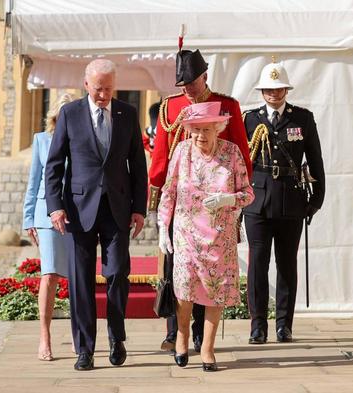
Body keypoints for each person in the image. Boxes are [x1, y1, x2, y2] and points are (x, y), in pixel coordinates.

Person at [45, 59, 148, 371]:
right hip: (78, 209)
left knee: (117, 273)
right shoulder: (69, 114)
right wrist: (55, 207)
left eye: (109, 88)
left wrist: (139, 209)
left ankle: (117, 337)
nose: (104, 94)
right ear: (86, 84)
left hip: (117, 208)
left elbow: (138, 166)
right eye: (99, 88)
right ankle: (85, 349)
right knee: (81, 281)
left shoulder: (128, 113)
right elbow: (54, 164)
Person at [148, 47, 251, 353]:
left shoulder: (226, 105)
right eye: (183, 85)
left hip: (218, 202)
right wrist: (157, 199)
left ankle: (199, 335)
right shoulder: (170, 107)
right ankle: (172, 332)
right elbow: (161, 158)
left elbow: (241, 153)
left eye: (192, 83)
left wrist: (232, 199)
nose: (188, 90)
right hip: (180, 203)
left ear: (205, 76)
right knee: (175, 271)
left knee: (211, 273)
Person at [157, 101, 254, 371]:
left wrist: (228, 199)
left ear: (218, 129)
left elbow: (248, 194)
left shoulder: (231, 153)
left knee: (216, 292)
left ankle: (208, 349)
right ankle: (182, 337)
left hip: (219, 239)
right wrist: (163, 226)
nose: (200, 135)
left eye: (206, 130)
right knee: (185, 290)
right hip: (186, 234)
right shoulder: (182, 151)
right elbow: (169, 191)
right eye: (195, 130)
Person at [244, 60, 325, 344]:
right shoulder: (250, 120)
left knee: (287, 264)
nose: (274, 94)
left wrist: (315, 200)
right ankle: (257, 326)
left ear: (286, 90)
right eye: (268, 89)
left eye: (278, 89)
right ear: (262, 91)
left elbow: (314, 159)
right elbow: (242, 163)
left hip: (291, 199)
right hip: (257, 200)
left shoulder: (302, 118)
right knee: (257, 264)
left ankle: (283, 325)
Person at [23, 93, 73, 361]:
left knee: (78, 277)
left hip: (77, 215)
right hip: (45, 215)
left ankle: (80, 335)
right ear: (54, 118)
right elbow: (34, 182)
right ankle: (45, 337)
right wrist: (28, 218)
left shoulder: (81, 141)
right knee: (50, 275)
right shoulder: (42, 140)